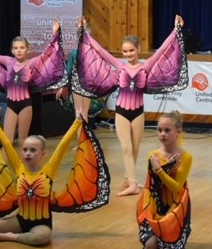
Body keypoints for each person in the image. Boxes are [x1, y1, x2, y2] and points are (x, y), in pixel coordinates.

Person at [77, 15, 186, 196]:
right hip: (122, 112)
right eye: (125, 52)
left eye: (131, 51)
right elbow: (99, 51)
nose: (128, 55)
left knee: (135, 149)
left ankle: (129, 178)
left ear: (138, 49)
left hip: (138, 112)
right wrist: (83, 31)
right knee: (126, 148)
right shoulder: (120, 67)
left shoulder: (146, 66)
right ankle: (134, 184)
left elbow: (164, 49)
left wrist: (176, 30)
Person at [0, 108, 110, 246]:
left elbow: (63, 145)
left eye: (33, 150)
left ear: (42, 154)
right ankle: (19, 234)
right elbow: (6, 144)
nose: (28, 153)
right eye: (25, 150)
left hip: (41, 224)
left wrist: (77, 122)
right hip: (20, 220)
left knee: (40, 238)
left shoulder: (48, 171)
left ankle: (11, 237)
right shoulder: (19, 168)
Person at [0, 20, 66, 146]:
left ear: (27, 49)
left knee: (22, 141)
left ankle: (22, 166)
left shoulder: (30, 63)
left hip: (25, 105)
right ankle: (7, 166)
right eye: (16, 48)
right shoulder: (8, 61)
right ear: (12, 50)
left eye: (22, 48)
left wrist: (55, 33)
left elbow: (48, 53)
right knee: (7, 142)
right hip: (11, 105)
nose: (19, 50)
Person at [137, 111, 193, 249]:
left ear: (178, 132)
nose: (162, 134)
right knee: (150, 247)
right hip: (157, 204)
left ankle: (179, 230)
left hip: (175, 205)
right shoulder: (153, 156)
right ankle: (163, 233)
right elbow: (153, 186)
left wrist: (160, 170)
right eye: (159, 130)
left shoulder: (186, 157)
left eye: (167, 130)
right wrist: (163, 168)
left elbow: (176, 187)